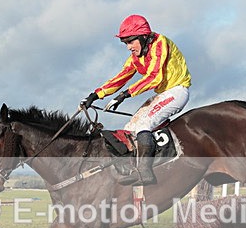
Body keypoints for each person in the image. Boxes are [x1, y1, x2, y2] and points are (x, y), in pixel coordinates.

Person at [80, 14, 191, 185]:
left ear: (143, 36)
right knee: (130, 128)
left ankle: (146, 172)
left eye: (131, 41)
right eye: (125, 43)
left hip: (177, 91)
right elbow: (121, 77)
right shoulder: (135, 57)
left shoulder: (160, 43)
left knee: (143, 125)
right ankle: (132, 168)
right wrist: (95, 95)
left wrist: (125, 94)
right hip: (163, 93)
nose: (129, 47)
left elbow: (154, 77)